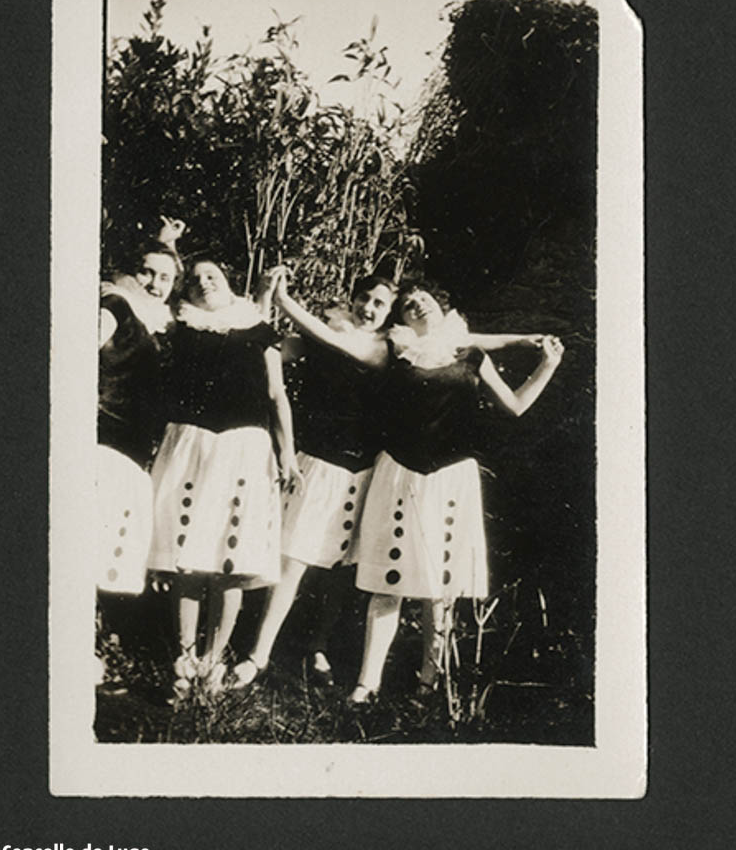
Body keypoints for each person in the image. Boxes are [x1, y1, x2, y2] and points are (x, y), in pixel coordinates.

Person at [262, 271, 563, 702]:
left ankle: (429, 683)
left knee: (439, 588)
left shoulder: (469, 353)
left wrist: (541, 358)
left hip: (451, 479)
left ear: (442, 306)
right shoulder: (392, 352)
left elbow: (514, 405)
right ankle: (367, 683)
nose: (417, 304)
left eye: (424, 298)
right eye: (408, 303)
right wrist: (284, 301)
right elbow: (332, 340)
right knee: (389, 581)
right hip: (399, 473)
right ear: (400, 318)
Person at [228, 273, 399, 690]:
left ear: (389, 313)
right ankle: (258, 654)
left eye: (380, 303)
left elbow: (341, 344)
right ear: (352, 298)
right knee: (293, 563)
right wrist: (266, 302)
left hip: (366, 470)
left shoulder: (386, 349)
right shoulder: (323, 337)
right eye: (364, 298)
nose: (369, 308)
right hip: (319, 463)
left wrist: (288, 301)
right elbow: (264, 353)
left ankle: (317, 645)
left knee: (340, 569)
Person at [147, 259, 302, 697]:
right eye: (194, 279)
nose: (203, 282)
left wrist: (286, 453)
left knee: (231, 564)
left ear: (231, 283)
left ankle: (213, 661)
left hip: (245, 449)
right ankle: (184, 659)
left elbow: (277, 395)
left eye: (212, 275)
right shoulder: (181, 327)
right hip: (191, 445)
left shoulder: (258, 329)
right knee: (189, 558)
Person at [95, 238, 180, 686]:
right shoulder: (117, 305)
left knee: (113, 546)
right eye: (147, 272)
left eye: (166, 277)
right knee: (93, 542)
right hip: (104, 438)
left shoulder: (160, 324)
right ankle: (86, 644)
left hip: (135, 448)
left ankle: (103, 642)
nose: (156, 283)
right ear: (131, 273)